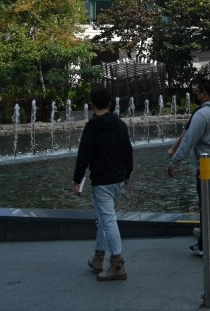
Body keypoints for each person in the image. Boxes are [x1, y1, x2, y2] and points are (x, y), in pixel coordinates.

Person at [168, 81, 210, 262]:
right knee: (207, 206)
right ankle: (202, 244)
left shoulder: (202, 114)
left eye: (197, 92)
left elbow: (188, 140)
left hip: (208, 169)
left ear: (205, 93)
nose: (195, 96)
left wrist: (174, 161)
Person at [73, 87, 134, 282]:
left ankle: (117, 263)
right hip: (118, 180)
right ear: (109, 103)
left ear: (92, 104)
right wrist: (127, 173)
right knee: (103, 218)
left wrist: (77, 181)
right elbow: (128, 151)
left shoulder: (92, 128)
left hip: (102, 182)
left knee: (108, 221)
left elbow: (83, 156)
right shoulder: (120, 125)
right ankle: (98, 258)